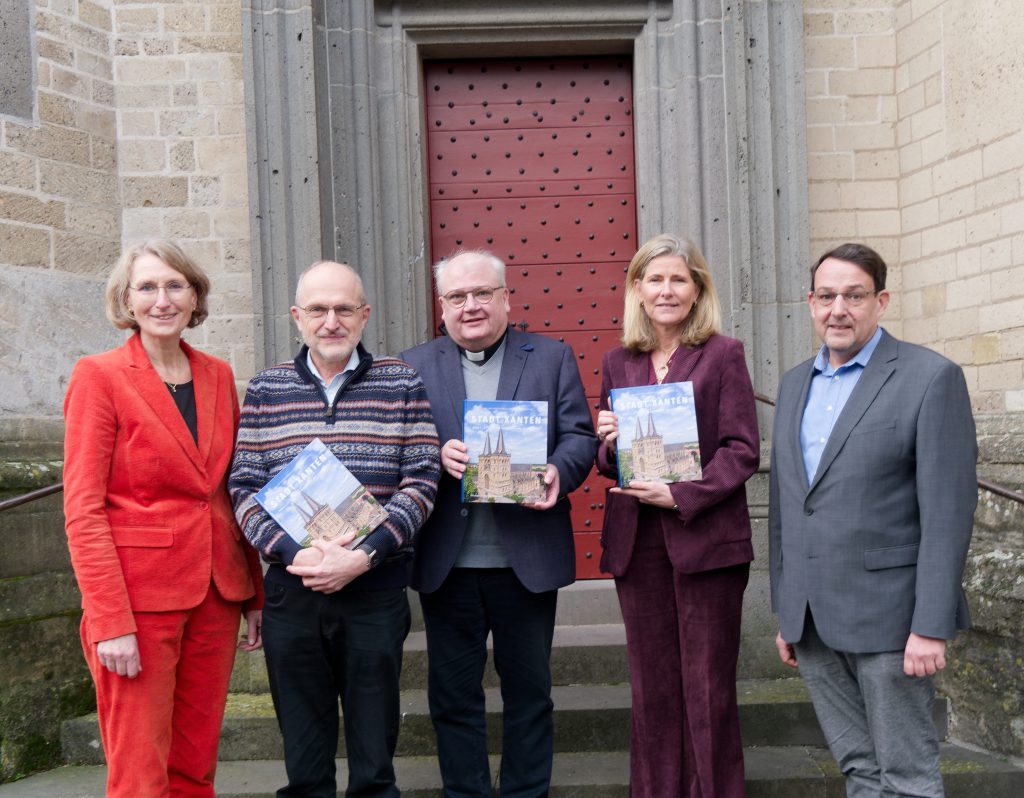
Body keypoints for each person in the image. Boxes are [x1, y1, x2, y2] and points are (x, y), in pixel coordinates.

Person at [769, 242, 978, 797]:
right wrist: (787, 610)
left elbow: (948, 512)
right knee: (858, 769)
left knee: (907, 776)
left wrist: (930, 624)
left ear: (880, 301)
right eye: (827, 296)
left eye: (854, 296)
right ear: (810, 303)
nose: (839, 309)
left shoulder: (930, 378)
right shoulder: (794, 384)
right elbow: (790, 507)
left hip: (892, 621)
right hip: (812, 621)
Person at [229, 260, 440, 798]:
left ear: (364, 315)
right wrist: (293, 554)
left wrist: (362, 557)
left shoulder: (400, 381)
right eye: (318, 309)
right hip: (291, 592)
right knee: (304, 755)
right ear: (297, 317)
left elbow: (422, 481)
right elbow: (243, 487)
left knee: (374, 757)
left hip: (374, 588)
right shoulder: (266, 388)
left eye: (344, 309)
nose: (331, 321)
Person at [62, 239, 264, 798]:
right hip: (138, 602)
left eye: (176, 285)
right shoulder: (98, 375)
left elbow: (225, 490)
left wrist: (252, 594)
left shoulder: (218, 375)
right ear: (126, 300)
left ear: (195, 295)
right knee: (139, 769)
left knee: (195, 764)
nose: (162, 299)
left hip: (216, 593)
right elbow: (82, 508)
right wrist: (109, 620)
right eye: (147, 287)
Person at [400, 249, 597, 797]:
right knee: (453, 697)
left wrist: (559, 470)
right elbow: (397, 450)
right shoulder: (411, 365)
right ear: (442, 306)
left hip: (524, 560)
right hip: (449, 562)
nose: (471, 306)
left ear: (506, 297)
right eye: (458, 297)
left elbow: (580, 436)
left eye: (482, 293)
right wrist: (434, 456)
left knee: (529, 693)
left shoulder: (551, 357)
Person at [594, 233, 759, 797]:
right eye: (654, 279)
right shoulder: (618, 361)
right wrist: (608, 441)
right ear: (637, 290)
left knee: (708, 688)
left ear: (697, 290)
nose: (666, 290)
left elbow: (742, 450)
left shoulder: (723, 353)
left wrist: (683, 494)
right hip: (637, 545)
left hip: (706, 540)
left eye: (678, 279)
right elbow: (609, 461)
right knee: (653, 688)